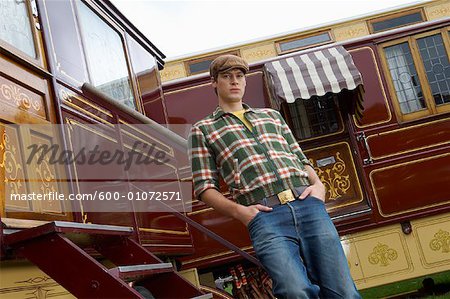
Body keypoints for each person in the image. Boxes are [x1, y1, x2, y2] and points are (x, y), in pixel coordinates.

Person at [188, 54, 360, 298]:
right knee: (294, 291)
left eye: (239, 76)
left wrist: (319, 186)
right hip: (266, 217)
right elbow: (204, 188)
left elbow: (300, 158)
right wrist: (242, 213)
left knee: (342, 290)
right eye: (226, 77)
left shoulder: (271, 116)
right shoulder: (203, 130)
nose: (234, 81)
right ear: (214, 83)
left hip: (308, 204)